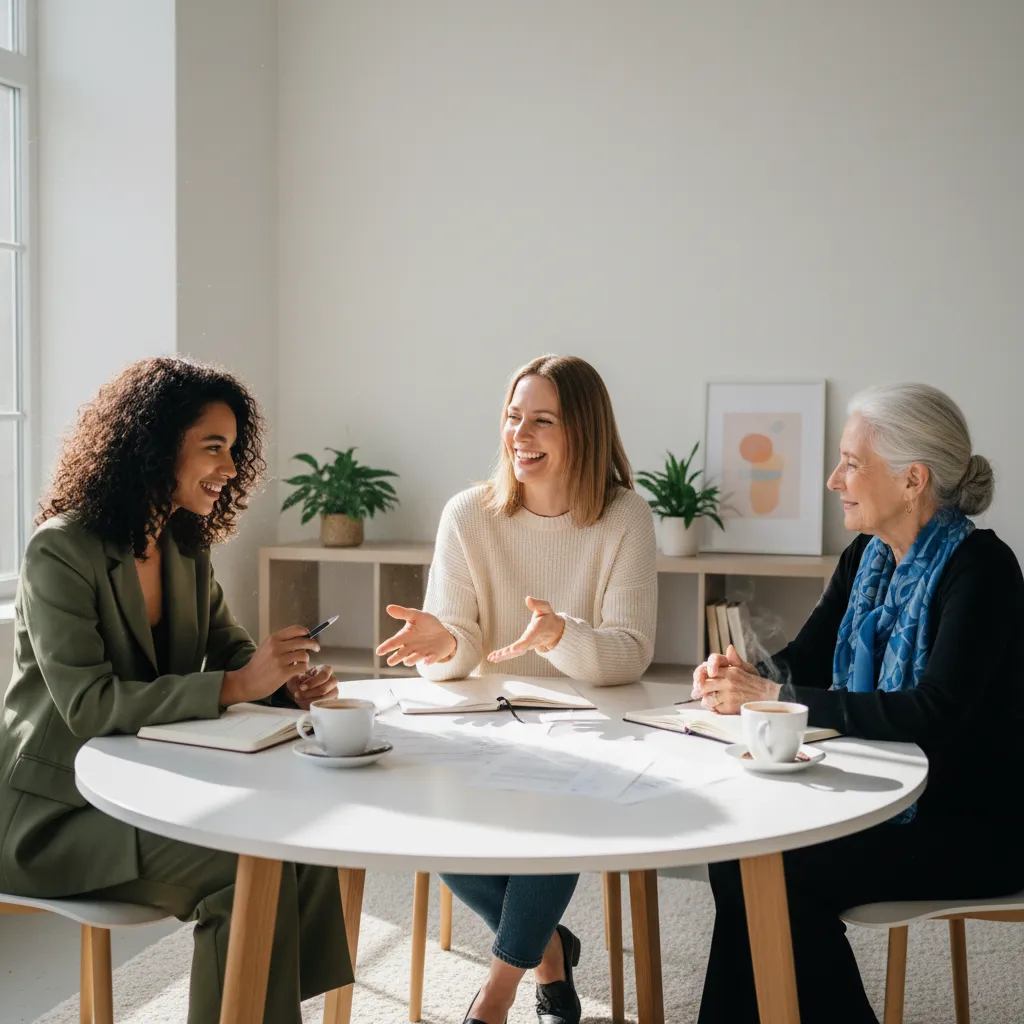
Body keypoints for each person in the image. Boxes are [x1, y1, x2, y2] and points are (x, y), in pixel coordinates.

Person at [0, 357, 351, 1024]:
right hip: (54, 819)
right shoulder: (60, 552)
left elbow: (227, 647)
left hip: (143, 791)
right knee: (241, 871)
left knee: (298, 847)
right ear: (155, 446)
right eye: (211, 446)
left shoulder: (185, 549)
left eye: (234, 448)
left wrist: (283, 687)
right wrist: (237, 685)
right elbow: (89, 706)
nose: (228, 465)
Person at [691, 383, 1024, 1024]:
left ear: (911, 480)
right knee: (741, 860)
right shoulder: (865, 558)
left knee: (779, 876)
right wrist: (741, 674)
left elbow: (935, 712)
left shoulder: (983, 570)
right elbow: (804, 661)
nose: (831, 478)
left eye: (850, 461)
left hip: (970, 822)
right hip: (875, 800)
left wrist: (778, 697)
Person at [375, 355, 657, 1024]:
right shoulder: (468, 515)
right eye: (512, 417)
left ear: (583, 431)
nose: (519, 434)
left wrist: (557, 634)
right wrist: (442, 643)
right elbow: (462, 642)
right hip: (480, 726)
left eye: (542, 421)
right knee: (421, 814)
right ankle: (551, 956)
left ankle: (495, 997)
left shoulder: (624, 518)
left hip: (585, 734)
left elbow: (629, 653)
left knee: (553, 808)